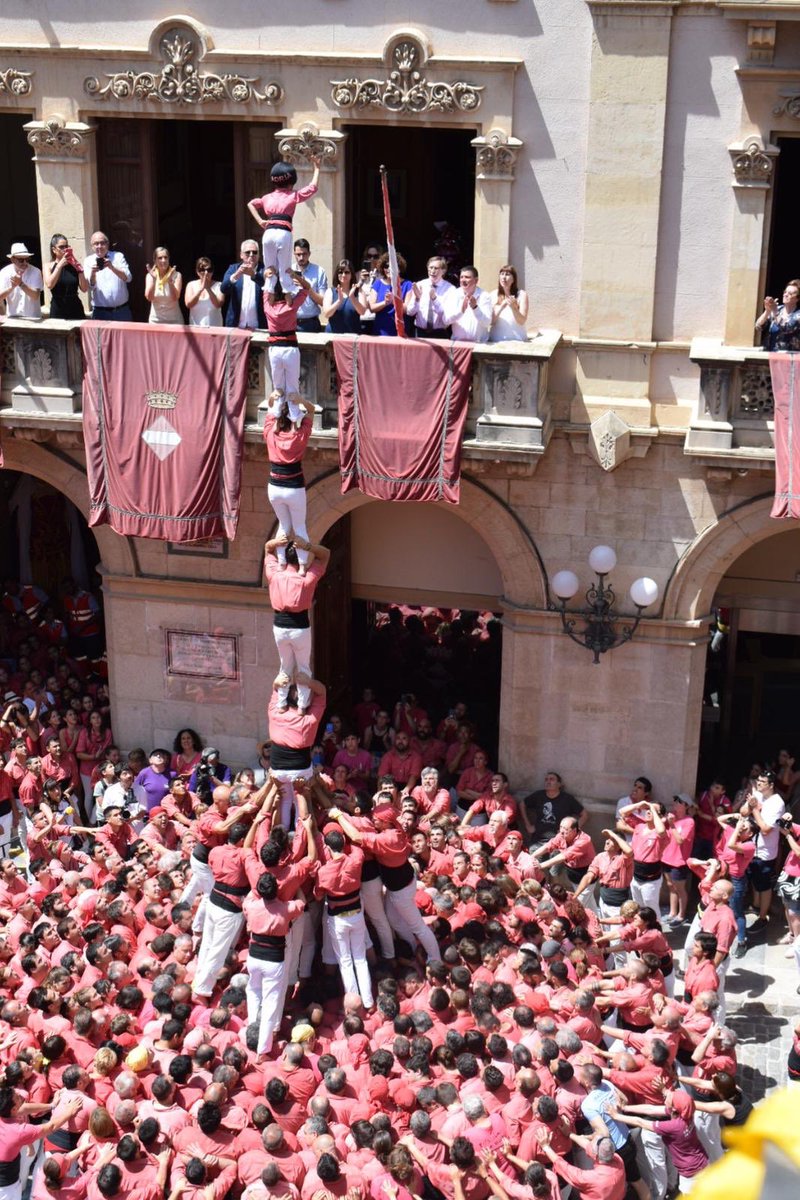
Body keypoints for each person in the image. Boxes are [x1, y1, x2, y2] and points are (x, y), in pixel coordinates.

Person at [263, 533, 330, 712]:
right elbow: (325, 554)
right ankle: (301, 706)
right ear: (300, 560)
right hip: (300, 628)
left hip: (280, 627)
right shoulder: (306, 579)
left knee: (284, 666)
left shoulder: (274, 574)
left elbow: (267, 549)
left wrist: (278, 542)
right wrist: (307, 546)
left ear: (284, 557)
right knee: (303, 667)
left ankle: (282, 704)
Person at [247, 157, 320, 297]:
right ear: (290, 183)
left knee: (270, 267)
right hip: (283, 233)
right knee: (285, 269)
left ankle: (269, 292)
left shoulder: (267, 197)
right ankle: (288, 294)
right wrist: (317, 168)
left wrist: (260, 221)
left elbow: (250, 203)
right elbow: (312, 188)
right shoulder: (292, 195)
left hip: (268, 234)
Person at [263, 397, 315, 573]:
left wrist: (273, 399)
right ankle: (301, 566)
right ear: (294, 419)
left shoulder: (270, 433)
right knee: (299, 526)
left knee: (283, 525)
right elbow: (312, 410)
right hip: (294, 487)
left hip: (274, 487)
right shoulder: (299, 436)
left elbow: (270, 409)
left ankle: (282, 562)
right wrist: (300, 400)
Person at [263, 273, 312, 422]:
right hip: (290, 349)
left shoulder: (267, 307)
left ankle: (276, 419)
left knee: (278, 389)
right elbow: (307, 288)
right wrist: (293, 276)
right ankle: (295, 418)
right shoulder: (291, 306)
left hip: (275, 350)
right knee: (292, 389)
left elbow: (266, 290)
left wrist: (269, 276)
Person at [742, 769, 785, 934]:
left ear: (771, 785)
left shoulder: (777, 803)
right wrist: (751, 805)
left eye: (762, 782)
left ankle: (762, 917)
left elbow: (766, 828)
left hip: (765, 852)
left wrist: (755, 810)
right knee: (755, 880)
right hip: (751, 847)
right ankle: (756, 905)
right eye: (757, 780)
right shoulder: (757, 795)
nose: (758, 783)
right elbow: (743, 812)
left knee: (765, 886)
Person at [520, 771, 584, 849]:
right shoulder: (539, 795)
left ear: (559, 784)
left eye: (551, 779)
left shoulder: (567, 799)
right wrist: (528, 825)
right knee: (534, 860)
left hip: (557, 842)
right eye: (546, 779)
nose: (548, 781)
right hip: (537, 841)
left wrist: (571, 832)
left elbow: (585, 815)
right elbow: (522, 804)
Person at [83, 232, 132, 321]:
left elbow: (128, 278)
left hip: (121, 311)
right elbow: (90, 286)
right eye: (96, 243)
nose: (99, 246)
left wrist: (112, 267)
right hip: (100, 312)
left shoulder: (118, 256)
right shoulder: (88, 261)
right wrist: (93, 273)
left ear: (107, 244)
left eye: (102, 243)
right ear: (92, 246)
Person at [404, 255, 455, 338]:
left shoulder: (450, 289)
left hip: (439, 333)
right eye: (430, 267)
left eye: (436, 268)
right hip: (420, 332)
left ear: (443, 271)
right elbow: (410, 312)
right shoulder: (420, 285)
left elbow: (447, 317)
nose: (432, 271)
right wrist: (417, 299)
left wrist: (435, 300)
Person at [220, 241, 266, 330]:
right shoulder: (233, 268)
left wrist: (254, 275)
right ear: (241, 255)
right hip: (236, 325)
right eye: (248, 252)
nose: (251, 255)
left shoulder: (264, 270)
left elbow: (272, 288)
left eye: (255, 252)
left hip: (259, 326)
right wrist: (236, 275)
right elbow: (224, 289)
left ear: (259, 255)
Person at [367, 252, 412, 337]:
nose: (388, 269)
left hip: (400, 332)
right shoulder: (378, 284)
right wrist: (385, 302)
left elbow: (407, 309)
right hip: (380, 332)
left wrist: (394, 301)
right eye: (386, 266)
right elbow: (372, 308)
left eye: (392, 266)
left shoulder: (407, 284)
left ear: (399, 268)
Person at [43, 234, 87, 320]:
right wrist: (59, 266)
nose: (65, 249)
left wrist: (79, 269)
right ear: (54, 250)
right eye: (61, 247)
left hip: (75, 307)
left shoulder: (74, 265)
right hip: (58, 307)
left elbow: (84, 289)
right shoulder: (48, 266)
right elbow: (49, 284)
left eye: (66, 246)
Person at [444, 266, 492, 343]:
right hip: (458, 344)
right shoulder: (454, 294)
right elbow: (446, 320)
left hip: (479, 345)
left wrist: (475, 308)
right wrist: (461, 311)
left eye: (467, 277)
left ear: (476, 280)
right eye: (461, 277)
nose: (463, 280)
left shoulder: (484, 296)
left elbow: (487, 323)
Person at [291, 239, 328, 332]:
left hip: (311, 323)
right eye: (298, 254)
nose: (301, 257)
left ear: (309, 254)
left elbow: (323, 302)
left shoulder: (319, 271)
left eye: (304, 254)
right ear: (294, 254)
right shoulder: (288, 271)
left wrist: (307, 289)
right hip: (290, 321)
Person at [321, 260, 366, 334]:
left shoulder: (359, 291)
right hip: (333, 337)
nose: (343, 275)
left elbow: (362, 312)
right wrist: (339, 301)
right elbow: (327, 314)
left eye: (347, 272)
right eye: (340, 272)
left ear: (352, 274)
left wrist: (352, 297)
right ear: (337, 274)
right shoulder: (330, 291)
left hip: (353, 337)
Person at [0, 243, 43, 319]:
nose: (25, 263)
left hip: (33, 317)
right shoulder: (4, 272)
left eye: (27, 259)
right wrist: (11, 288)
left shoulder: (36, 271)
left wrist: (20, 284)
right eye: (21, 260)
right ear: (12, 259)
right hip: (12, 317)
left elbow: (35, 295)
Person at [755, 279, 800, 350]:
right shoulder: (778, 309)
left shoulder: (798, 315)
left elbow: (786, 328)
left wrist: (775, 311)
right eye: (785, 292)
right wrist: (767, 311)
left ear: (797, 298)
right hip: (770, 354)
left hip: (789, 357)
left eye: (790, 293)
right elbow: (758, 326)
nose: (785, 295)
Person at [489, 264, 529, 342]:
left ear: (513, 279)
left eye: (507, 274)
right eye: (502, 274)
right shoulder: (492, 295)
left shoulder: (522, 295)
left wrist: (514, 308)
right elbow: (491, 322)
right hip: (495, 341)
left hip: (517, 341)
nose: (504, 277)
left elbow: (522, 321)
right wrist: (501, 306)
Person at [144, 247, 183, 324]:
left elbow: (175, 297)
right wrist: (154, 280)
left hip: (174, 320)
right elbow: (149, 298)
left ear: (169, 259)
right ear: (154, 260)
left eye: (165, 257)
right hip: (156, 320)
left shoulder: (176, 275)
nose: (163, 260)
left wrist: (170, 282)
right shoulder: (150, 276)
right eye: (160, 258)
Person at [184, 257, 224, 327]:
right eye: (202, 270)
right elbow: (188, 304)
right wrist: (200, 290)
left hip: (215, 330)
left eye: (209, 270)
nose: (206, 273)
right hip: (196, 329)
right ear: (197, 272)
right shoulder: (191, 285)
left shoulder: (219, 285)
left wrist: (208, 288)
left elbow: (218, 304)